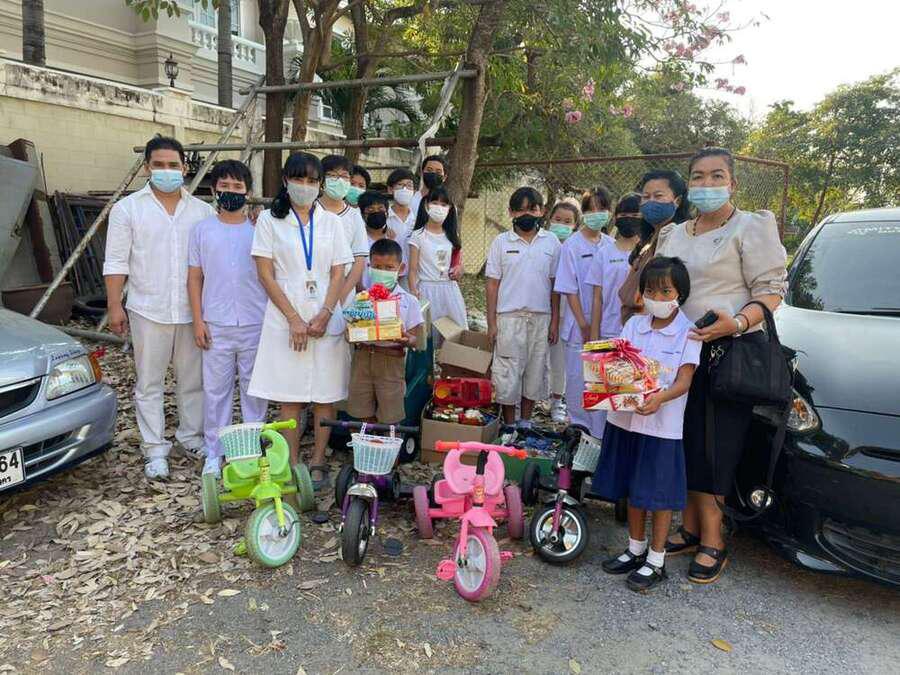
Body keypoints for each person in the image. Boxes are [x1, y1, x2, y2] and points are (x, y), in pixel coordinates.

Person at [656, 147, 787, 584]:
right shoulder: (673, 234)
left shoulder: (751, 226)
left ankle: (714, 537)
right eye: (698, 176)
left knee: (715, 446)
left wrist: (740, 322)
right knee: (685, 441)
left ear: (733, 183)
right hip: (680, 353)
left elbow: (771, 290)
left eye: (717, 176)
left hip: (728, 353)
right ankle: (691, 527)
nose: (706, 184)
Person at [104, 136, 214, 479]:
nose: (167, 171)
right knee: (149, 383)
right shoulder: (128, 209)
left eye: (173, 165)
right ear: (146, 167)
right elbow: (116, 261)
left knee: (192, 381)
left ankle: (191, 437)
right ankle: (154, 449)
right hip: (147, 308)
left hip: (191, 311)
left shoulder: (202, 211)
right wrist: (114, 306)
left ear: (184, 167)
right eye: (159, 165)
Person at [595, 256, 701, 592]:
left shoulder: (689, 332)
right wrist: (602, 388)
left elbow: (684, 382)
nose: (657, 297)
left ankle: (656, 560)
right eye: (651, 290)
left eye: (665, 290)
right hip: (625, 422)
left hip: (662, 428)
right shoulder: (633, 325)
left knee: (658, 493)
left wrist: (659, 399)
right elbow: (616, 368)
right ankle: (635, 548)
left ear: (680, 293)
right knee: (633, 487)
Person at [247, 152, 353, 490]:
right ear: (285, 181)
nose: (304, 186)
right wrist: (293, 318)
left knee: (325, 393)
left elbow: (338, 272)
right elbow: (265, 274)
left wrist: (326, 312)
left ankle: (318, 459)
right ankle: (291, 463)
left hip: (325, 312)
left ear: (320, 185)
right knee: (289, 394)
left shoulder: (332, 222)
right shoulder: (269, 220)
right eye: (298, 179)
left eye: (311, 180)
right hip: (284, 313)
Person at [187, 160, 268, 478]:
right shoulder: (202, 230)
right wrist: (198, 320)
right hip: (216, 323)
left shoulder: (260, 229)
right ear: (214, 189)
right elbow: (195, 278)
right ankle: (214, 452)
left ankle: (251, 450)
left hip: (254, 321)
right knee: (216, 391)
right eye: (225, 186)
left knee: (254, 391)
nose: (231, 191)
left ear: (248, 192)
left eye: (238, 186)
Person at [486, 187, 561, 426]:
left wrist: (555, 321)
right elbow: (492, 285)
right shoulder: (501, 242)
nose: (526, 214)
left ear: (542, 211)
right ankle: (509, 424)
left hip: (541, 317)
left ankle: (525, 423)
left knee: (535, 371)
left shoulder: (551, 242)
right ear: (511, 212)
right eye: (520, 209)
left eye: (532, 209)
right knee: (507, 373)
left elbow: (555, 286)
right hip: (509, 317)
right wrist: (492, 323)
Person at [551, 191, 612, 435]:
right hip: (579, 326)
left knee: (602, 381)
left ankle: (599, 433)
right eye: (591, 209)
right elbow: (569, 288)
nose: (596, 214)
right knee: (578, 380)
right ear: (584, 214)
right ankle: (579, 428)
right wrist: (584, 323)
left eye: (602, 209)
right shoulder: (572, 245)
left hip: (606, 324)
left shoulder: (611, 245)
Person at [346, 238, 424, 424]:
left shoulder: (408, 301)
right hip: (362, 359)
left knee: (390, 418)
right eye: (377, 267)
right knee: (359, 414)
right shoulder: (361, 299)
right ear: (369, 267)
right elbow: (349, 331)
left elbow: (416, 340)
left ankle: (387, 444)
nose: (382, 272)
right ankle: (363, 443)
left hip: (391, 361)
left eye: (389, 267)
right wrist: (351, 334)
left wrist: (406, 339)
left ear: (401, 268)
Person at [618, 170, 691, 324]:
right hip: (634, 324)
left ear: (677, 201)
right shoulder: (648, 240)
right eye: (646, 197)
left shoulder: (678, 238)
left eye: (658, 196)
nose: (650, 202)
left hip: (654, 326)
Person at [408, 186, 468, 336]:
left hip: (450, 290)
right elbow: (412, 269)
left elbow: (458, 263)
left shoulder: (452, 235)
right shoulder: (418, 235)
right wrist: (414, 292)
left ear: (449, 208)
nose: (439, 207)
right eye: (435, 203)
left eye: (444, 204)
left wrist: (460, 269)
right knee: (427, 336)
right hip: (426, 290)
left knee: (454, 334)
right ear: (426, 205)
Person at [587, 192, 643, 342]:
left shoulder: (649, 252)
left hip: (640, 332)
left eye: (635, 215)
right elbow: (597, 299)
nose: (628, 219)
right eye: (623, 215)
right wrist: (594, 337)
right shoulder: (604, 253)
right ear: (616, 217)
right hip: (608, 331)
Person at [317, 155, 369, 309]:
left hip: (344, 291)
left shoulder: (354, 216)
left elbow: (359, 260)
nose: (339, 180)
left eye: (345, 176)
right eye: (333, 175)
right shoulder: (310, 210)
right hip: (314, 288)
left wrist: (341, 296)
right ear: (321, 180)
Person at [385, 168, 418, 285]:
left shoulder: (418, 221)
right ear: (390, 189)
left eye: (409, 185)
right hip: (387, 275)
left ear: (414, 191)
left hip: (413, 277)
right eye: (400, 185)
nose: (405, 189)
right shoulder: (383, 219)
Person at [357, 190, 391, 289]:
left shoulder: (392, 238)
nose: (376, 212)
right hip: (362, 295)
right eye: (371, 210)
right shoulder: (357, 240)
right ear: (362, 215)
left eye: (380, 208)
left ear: (387, 213)